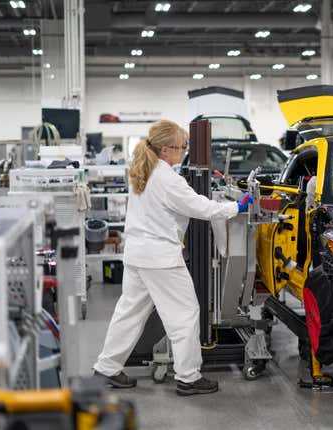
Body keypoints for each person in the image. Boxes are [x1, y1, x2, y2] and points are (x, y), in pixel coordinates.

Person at [93, 120, 251, 396]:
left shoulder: (141, 169)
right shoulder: (168, 179)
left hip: (136, 254)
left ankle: (107, 368)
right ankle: (188, 377)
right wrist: (234, 207)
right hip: (161, 259)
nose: (183, 151)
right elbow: (200, 207)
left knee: (129, 312)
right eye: (181, 147)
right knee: (185, 315)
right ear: (165, 150)